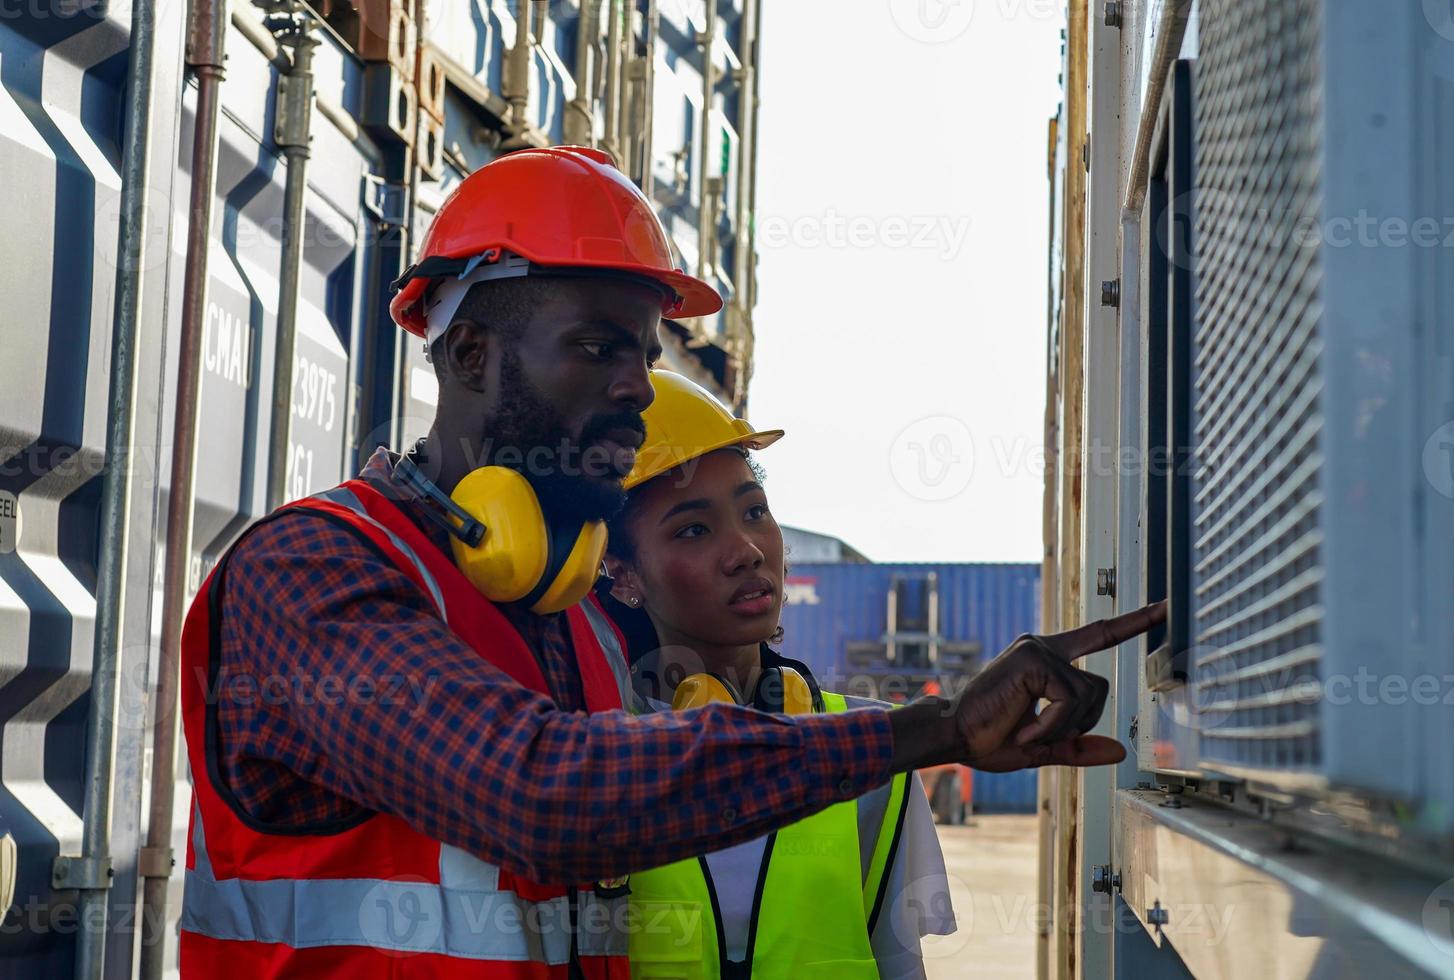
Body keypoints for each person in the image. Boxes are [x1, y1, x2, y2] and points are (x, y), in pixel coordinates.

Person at [176, 145, 1165, 978]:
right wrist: (936, 725)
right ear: (470, 353)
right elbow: (537, 792)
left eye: (643, 353)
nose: (635, 388)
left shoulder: (571, 622)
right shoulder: (308, 574)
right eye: (597, 347)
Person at [600, 370, 955, 978]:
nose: (747, 549)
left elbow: (900, 964)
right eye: (693, 529)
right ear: (623, 575)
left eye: (754, 510)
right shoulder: (588, 759)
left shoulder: (875, 752)